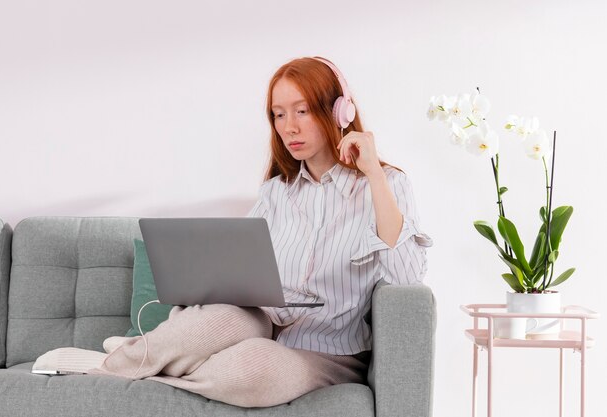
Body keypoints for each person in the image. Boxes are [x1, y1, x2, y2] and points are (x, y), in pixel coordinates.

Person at [32, 56, 432, 408]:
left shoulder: (386, 185)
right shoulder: (276, 192)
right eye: (278, 114)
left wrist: (374, 174)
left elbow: (406, 276)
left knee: (249, 369)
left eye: (302, 111)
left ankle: (149, 358)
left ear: (340, 111)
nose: (288, 127)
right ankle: (119, 363)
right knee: (224, 318)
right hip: (264, 324)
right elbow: (243, 268)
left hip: (328, 353)